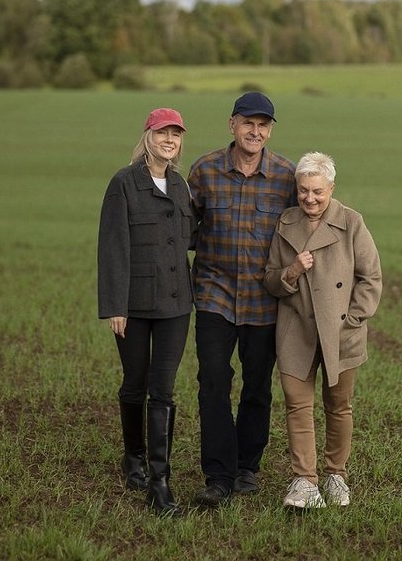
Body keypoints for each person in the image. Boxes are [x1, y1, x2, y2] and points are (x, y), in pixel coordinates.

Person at [187, 92, 297, 506]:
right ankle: (218, 475)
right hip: (214, 295)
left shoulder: (286, 176)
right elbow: (185, 227)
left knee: (257, 387)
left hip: (264, 302)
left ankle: (247, 467)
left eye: (263, 125)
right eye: (248, 123)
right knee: (212, 382)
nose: (255, 131)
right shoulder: (205, 171)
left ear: (270, 130)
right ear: (231, 124)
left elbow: (305, 227)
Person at [264, 152, 382, 509]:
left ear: (332, 188)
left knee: (338, 407)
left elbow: (371, 277)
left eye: (318, 191)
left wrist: (352, 319)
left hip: (341, 332)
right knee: (298, 406)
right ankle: (305, 482)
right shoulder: (286, 224)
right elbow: (270, 280)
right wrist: (292, 271)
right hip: (295, 330)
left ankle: (335, 475)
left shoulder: (351, 222)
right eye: (303, 191)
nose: (310, 199)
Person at [97, 107, 197, 515]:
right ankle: (133, 457)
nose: (170, 140)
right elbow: (113, 247)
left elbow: (190, 239)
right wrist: (115, 306)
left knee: (164, 389)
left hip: (176, 303)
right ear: (148, 136)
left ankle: (160, 479)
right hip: (134, 305)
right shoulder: (124, 182)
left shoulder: (181, 185)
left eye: (176, 134)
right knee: (134, 383)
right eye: (163, 133)